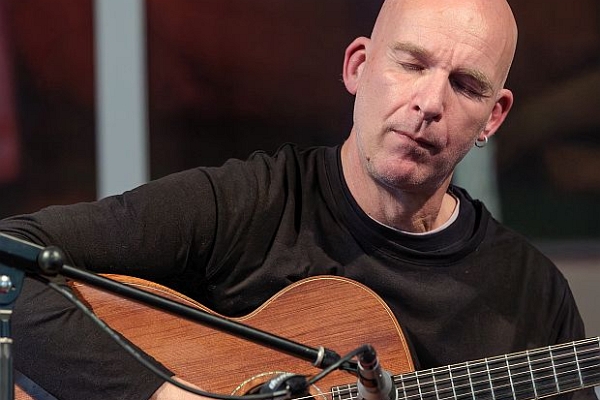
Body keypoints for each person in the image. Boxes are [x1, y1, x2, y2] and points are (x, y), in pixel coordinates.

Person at [1, 0, 596, 399]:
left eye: (465, 85)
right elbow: (8, 261)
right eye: (412, 63)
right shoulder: (251, 205)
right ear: (358, 67)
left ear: (493, 116)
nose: (429, 103)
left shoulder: (531, 297)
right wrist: (162, 394)